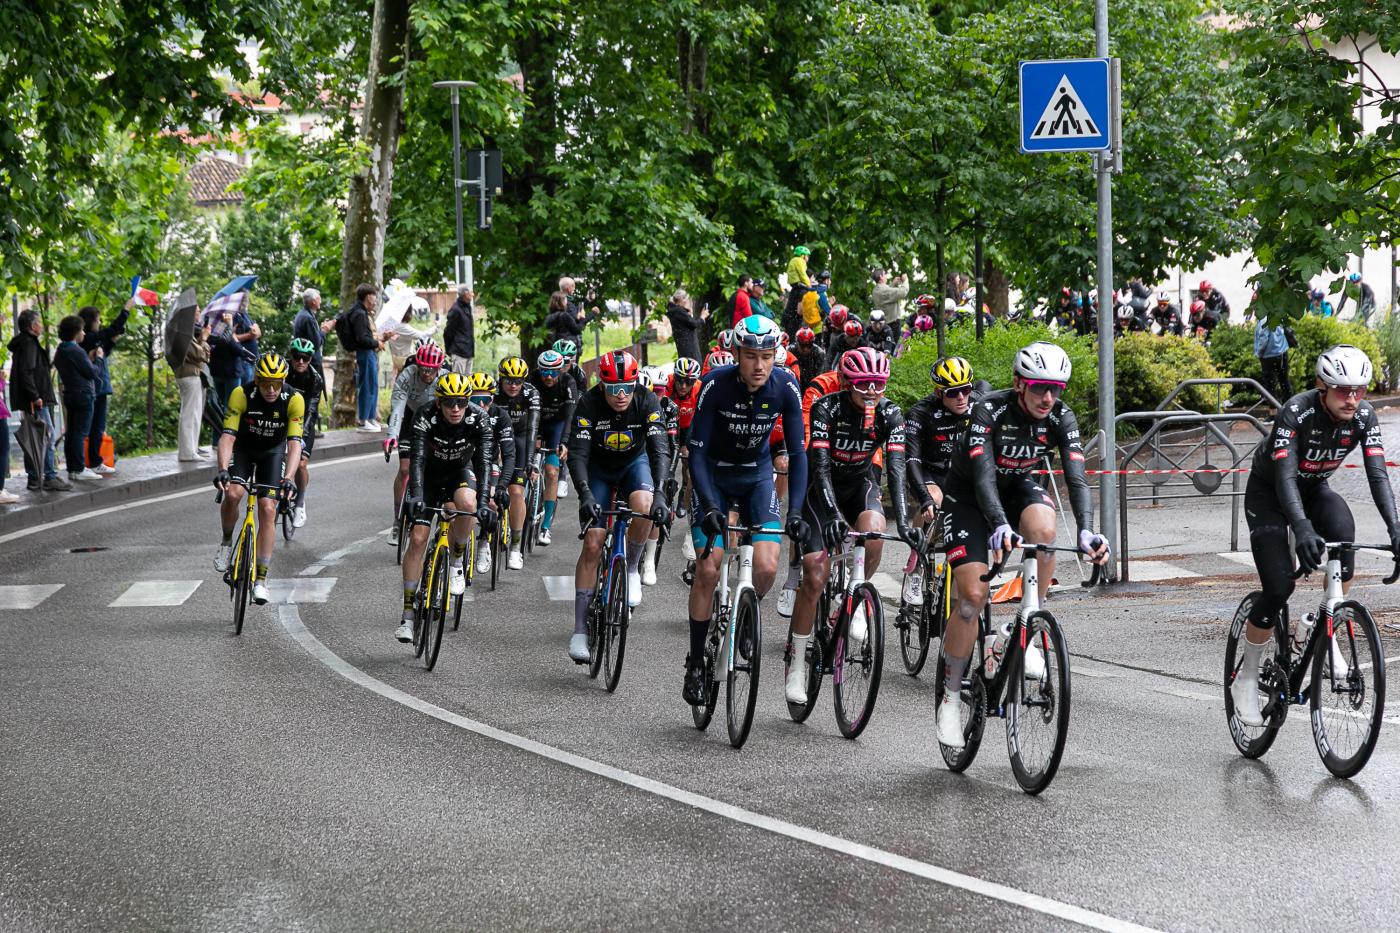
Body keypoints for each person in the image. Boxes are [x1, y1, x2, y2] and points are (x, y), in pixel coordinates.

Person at [934, 342, 1108, 748]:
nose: (1049, 398)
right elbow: (981, 476)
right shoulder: (988, 411)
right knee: (971, 599)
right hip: (968, 498)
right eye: (1039, 388)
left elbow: (1077, 479)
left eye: (1056, 389)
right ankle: (950, 697)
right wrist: (997, 523)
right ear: (1018, 384)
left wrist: (1086, 531)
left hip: (1017, 489)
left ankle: (1026, 622)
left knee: (1045, 527)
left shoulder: (1061, 417)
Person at [1231, 346, 1400, 726]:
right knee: (1278, 587)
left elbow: (1377, 475)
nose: (1352, 398)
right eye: (1343, 390)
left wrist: (1395, 528)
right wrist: (1303, 529)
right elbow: (1286, 478)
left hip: (1314, 489)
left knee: (1344, 535)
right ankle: (1245, 679)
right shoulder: (1297, 411)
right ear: (1322, 387)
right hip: (1270, 493)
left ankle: (1327, 631)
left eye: (1360, 389)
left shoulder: (1364, 416)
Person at [682, 315, 809, 705]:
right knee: (708, 566)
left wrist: (797, 513)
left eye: (767, 356)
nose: (759, 365)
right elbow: (697, 456)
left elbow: (798, 453)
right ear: (736, 353)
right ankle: (697, 663)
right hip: (714, 478)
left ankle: (745, 615)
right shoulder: (715, 386)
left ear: (776, 356)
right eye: (751, 356)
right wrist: (706, 507)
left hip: (756, 477)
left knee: (768, 565)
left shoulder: (786, 384)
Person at [785, 347, 917, 702]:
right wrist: (829, 515)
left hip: (860, 483)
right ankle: (796, 661)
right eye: (862, 385)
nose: (872, 392)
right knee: (815, 572)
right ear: (845, 382)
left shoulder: (890, 413)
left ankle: (856, 597)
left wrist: (903, 521)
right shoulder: (827, 408)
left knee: (874, 530)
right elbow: (821, 466)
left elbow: (896, 468)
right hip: (822, 488)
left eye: (879, 385)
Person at [565, 350, 669, 658]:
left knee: (645, 504)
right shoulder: (588, 404)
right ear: (601, 386)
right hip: (598, 469)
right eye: (613, 389)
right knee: (594, 543)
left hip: (632, 464)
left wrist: (662, 490)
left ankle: (633, 568)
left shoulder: (647, 400)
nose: (621, 395)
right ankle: (580, 631)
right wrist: (584, 493)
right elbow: (579, 454)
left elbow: (659, 449)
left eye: (627, 387)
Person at [396, 372, 496, 643]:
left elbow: (484, 464)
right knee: (417, 539)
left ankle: (456, 561)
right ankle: (407, 614)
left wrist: (485, 501)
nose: (455, 408)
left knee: (468, 504)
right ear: (438, 402)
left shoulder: (479, 418)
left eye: (461, 402)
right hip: (427, 476)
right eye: (449, 402)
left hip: (458, 473)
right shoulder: (425, 416)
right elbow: (416, 460)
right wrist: (416, 495)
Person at [212, 352, 305, 605]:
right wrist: (222, 468)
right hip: (243, 449)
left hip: (272, 453)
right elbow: (228, 436)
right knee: (233, 493)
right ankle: (226, 542)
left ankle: (261, 579)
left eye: (277, 383)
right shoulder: (241, 395)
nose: (272, 389)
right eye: (266, 383)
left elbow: (294, 443)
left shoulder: (294, 399)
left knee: (267, 508)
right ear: (257, 379)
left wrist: (288, 477)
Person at [901, 356, 977, 604]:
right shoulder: (920, 413)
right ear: (938, 392)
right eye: (954, 392)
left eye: (966, 389)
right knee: (934, 500)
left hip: (960, 475)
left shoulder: (977, 407)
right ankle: (914, 567)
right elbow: (911, 461)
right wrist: (923, 498)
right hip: (928, 472)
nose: (961, 397)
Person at [384, 342, 446, 546]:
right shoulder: (407, 376)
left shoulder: (445, 378)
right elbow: (398, 409)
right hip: (410, 419)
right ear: (417, 364)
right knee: (404, 469)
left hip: (434, 423)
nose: (427, 373)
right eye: (423, 368)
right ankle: (397, 519)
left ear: (439, 368)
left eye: (431, 369)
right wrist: (392, 435)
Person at [7, 310, 69, 492]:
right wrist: (36, 396)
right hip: (35, 401)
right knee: (45, 436)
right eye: (39, 323)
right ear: (32, 326)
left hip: (31, 401)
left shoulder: (24, 344)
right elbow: (27, 372)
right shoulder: (29, 344)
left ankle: (34, 478)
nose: (41, 325)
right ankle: (49, 476)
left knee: (34, 437)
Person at [495, 357, 541, 570]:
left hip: (521, 438)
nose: (513, 385)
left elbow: (532, 429)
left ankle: (515, 546)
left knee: (516, 491)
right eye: (508, 381)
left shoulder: (531, 394)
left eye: (518, 381)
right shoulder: (494, 393)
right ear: (501, 379)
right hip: (496, 437)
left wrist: (530, 461)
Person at [467, 371, 515, 578]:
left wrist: (503, 485)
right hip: (467, 461)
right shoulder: (462, 414)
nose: (481, 406)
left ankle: (484, 541)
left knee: (493, 500)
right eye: (475, 400)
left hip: (490, 462)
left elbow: (510, 455)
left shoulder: (500, 416)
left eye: (485, 400)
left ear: (492, 400)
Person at [77, 299, 132, 475]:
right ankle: (90, 462)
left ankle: (94, 461)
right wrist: (126, 310)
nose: (100, 323)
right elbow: (110, 331)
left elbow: (104, 351)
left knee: (98, 427)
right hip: (93, 388)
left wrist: (112, 341)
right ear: (91, 321)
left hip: (100, 387)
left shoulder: (92, 339)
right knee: (91, 427)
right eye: (98, 320)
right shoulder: (87, 338)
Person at [530, 349, 578, 545]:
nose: (549, 377)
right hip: (536, 422)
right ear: (538, 370)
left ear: (560, 370)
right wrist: (535, 436)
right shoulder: (532, 380)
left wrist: (565, 442)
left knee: (551, 472)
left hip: (557, 426)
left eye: (553, 372)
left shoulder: (568, 383)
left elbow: (570, 416)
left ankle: (546, 526)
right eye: (544, 372)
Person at [53, 315, 105, 482]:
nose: (84, 333)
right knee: (80, 433)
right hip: (83, 395)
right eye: (81, 330)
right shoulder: (76, 351)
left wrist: (88, 362)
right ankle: (80, 468)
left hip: (70, 394)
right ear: (75, 332)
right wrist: (99, 360)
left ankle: (72, 469)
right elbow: (91, 372)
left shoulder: (61, 351)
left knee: (72, 432)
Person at [285, 338, 324, 528]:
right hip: (282, 418)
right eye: (297, 357)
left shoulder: (315, 379)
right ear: (291, 356)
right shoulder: (282, 372)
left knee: (301, 463)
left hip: (304, 421)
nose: (301, 361)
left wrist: (300, 436)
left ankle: (300, 501)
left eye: (306, 358)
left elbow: (311, 411)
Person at [337, 283, 384, 432]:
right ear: (368, 297)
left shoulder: (361, 312)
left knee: (373, 386)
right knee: (367, 386)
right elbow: (362, 339)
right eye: (374, 297)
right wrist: (377, 342)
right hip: (365, 353)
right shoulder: (359, 314)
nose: (375, 300)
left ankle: (370, 418)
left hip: (369, 353)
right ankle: (363, 420)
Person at [176, 323, 212, 462]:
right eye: (196, 310)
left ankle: (192, 448)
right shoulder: (183, 333)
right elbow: (200, 354)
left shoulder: (185, 333)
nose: (197, 312)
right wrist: (203, 338)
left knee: (195, 414)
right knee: (190, 414)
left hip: (191, 375)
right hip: (190, 375)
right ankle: (187, 452)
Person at [1253, 317, 1292, 406]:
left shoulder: (1263, 319)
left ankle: (1273, 412)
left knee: (1270, 385)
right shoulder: (1276, 314)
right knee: (1284, 382)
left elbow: (1263, 340)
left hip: (1269, 356)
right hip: (1282, 352)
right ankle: (1290, 408)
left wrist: (1258, 354)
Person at [443, 286, 476, 375]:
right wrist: (449, 349)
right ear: (465, 294)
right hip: (459, 352)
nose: (472, 295)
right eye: (470, 292)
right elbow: (448, 331)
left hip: (468, 351)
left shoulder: (467, 308)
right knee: (458, 380)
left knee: (468, 381)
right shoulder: (456, 310)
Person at [666, 289, 705, 362]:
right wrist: (703, 317)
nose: (688, 302)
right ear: (683, 300)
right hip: (688, 345)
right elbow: (694, 324)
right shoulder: (678, 311)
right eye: (687, 299)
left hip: (684, 344)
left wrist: (689, 313)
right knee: (692, 364)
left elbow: (689, 323)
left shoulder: (675, 311)